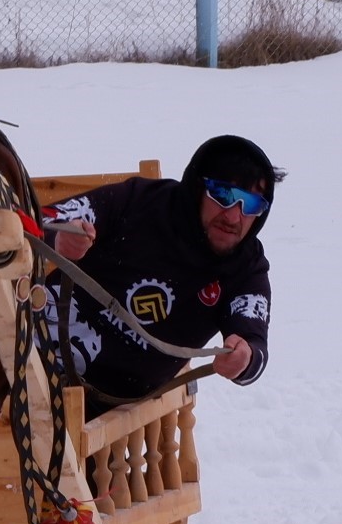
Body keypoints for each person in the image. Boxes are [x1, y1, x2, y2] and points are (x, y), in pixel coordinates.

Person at [43, 134, 284, 416]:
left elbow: (254, 345)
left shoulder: (246, 268)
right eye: (223, 195)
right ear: (198, 188)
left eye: (251, 205)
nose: (233, 217)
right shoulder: (141, 201)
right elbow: (41, 219)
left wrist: (244, 358)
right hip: (22, 356)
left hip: (106, 414)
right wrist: (59, 237)